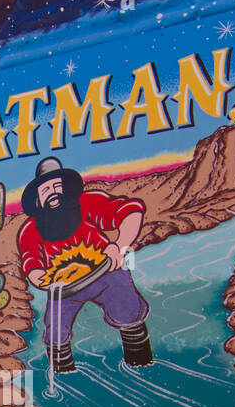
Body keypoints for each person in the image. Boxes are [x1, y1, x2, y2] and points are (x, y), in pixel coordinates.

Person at [17, 156, 153, 372]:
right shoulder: (31, 229)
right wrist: (39, 278)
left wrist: (120, 245)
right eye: (45, 189)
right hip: (64, 287)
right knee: (55, 333)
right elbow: (31, 261)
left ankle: (142, 364)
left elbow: (130, 211)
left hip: (106, 272)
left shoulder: (87, 202)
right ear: (37, 199)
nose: (52, 192)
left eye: (56, 186)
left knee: (129, 312)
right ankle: (64, 376)